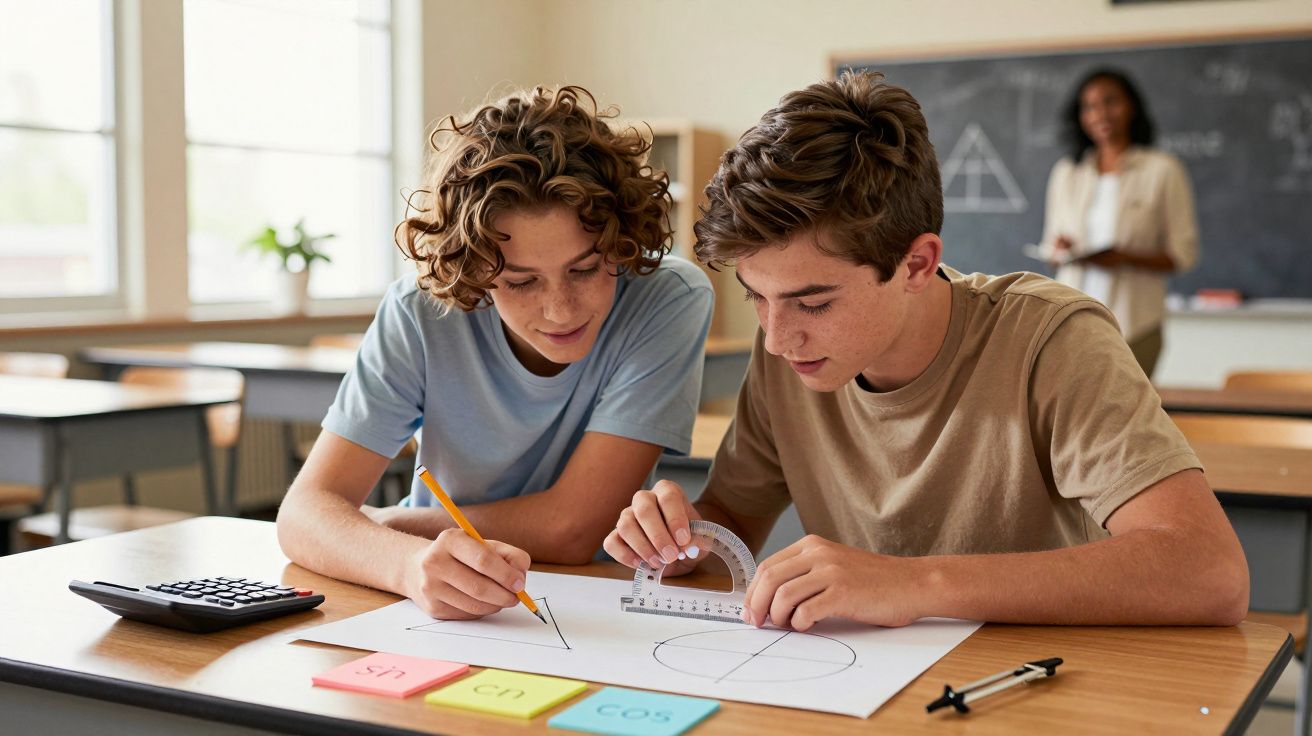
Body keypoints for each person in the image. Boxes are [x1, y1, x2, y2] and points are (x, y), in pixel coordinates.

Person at [603, 71, 1247, 632]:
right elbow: (732, 522)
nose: (776, 337)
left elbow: (1210, 571)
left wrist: (912, 584)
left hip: (1035, 684)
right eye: (755, 298)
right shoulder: (785, 354)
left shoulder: (1052, 339)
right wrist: (681, 541)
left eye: (814, 302)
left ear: (917, 263)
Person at [278, 85, 714, 621]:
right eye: (522, 282)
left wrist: (393, 525)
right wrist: (406, 564)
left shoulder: (668, 297)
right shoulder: (420, 310)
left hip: (599, 601)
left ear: (622, 242)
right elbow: (303, 513)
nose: (561, 310)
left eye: (583, 269)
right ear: (477, 274)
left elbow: (573, 529)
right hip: (444, 599)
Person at [1039, 68, 1199, 378]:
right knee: (1073, 423)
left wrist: (1124, 258)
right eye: (1090, 106)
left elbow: (1183, 254)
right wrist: (1061, 249)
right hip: (1071, 323)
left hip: (1136, 324)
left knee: (1122, 422)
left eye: (1111, 102)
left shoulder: (1162, 170)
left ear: (1131, 107)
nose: (1101, 113)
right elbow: (1050, 248)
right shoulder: (1068, 172)